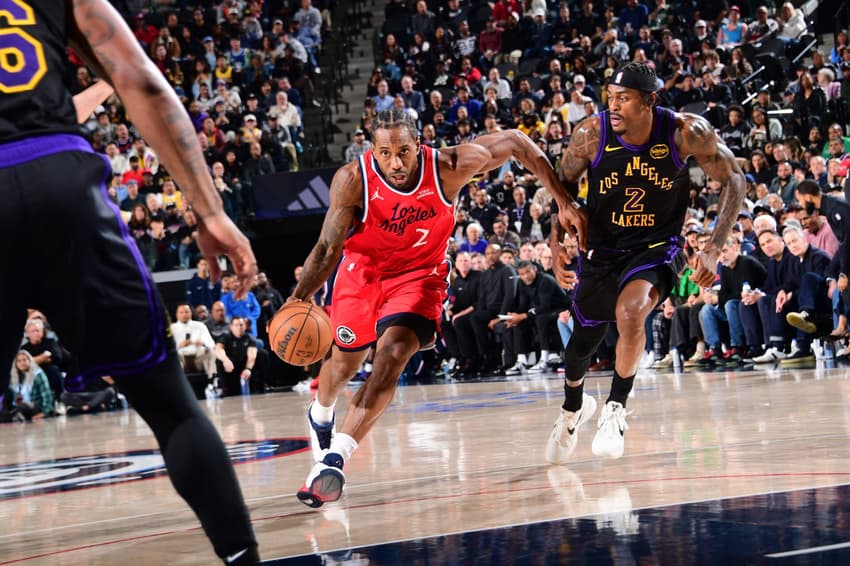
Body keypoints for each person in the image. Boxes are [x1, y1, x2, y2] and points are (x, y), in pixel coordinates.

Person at [0, 2, 259, 563]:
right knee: (168, 404)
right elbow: (139, 78)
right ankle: (242, 558)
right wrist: (209, 211)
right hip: (59, 183)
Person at [290, 108, 568, 507]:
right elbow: (327, 248)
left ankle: (334, 460)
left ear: (418, 145)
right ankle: (321, 412)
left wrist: (561, 200)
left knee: (393, 354)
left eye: (403, 151)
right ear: (373, 150)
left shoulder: (452, 165)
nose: (396, 162)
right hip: (363, 273)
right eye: (385, 153)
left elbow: (516, 141)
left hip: (419, 276)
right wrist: (298, 297)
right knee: (344, 363)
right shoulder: (353, 180)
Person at [546, 61, 746, 463]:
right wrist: (554, 244)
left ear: (650, 100)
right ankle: (573, 408)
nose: (613, 106)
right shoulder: (591, 133)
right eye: (610, 97)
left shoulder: (685, 131)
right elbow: (563, 185)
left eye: (624, 99)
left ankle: (616, 408)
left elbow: (734, 179)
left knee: (631, 312)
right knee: (579, 348)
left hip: (656, 246)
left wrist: (712, 245)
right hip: (602, 248)